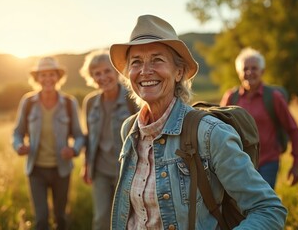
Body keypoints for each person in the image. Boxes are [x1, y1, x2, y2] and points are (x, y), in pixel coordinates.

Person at [108, 14, 287, 229]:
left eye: (157, 59)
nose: (145, 71)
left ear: (179, 72)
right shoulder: (130, 129)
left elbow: (268, 209)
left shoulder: (210, 133)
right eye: (136, 62)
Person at [12, 57, 85, 230]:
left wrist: (73, 150)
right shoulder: (28, 102)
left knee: (61, 217)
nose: (47, 79)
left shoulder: (69, 103)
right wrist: (18, 146)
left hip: (62, 171)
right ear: (37, 78)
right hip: (36, 170)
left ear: (58, 77)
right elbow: (17, 132)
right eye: (43, 75)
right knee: (41, 219)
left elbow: (79, 135)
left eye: (51, 74)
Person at [220, 47, 298, 189]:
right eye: (245, 69)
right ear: (239, 73)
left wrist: (297, 164)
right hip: (238, 164)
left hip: (268, 163)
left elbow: (293, 129)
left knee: (263, 206)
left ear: (262, 71)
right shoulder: (231, 97)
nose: (249, 72)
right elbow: (219, 131)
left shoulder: (273, 97)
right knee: (240, 209)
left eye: (254, 68)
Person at [79, 49, 139, 230]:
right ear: (92, 77)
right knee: (101, 219)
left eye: (107, 71)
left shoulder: (132, 100)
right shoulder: (90, 103)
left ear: (117, 73)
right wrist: (86, 165)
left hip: (127, 171)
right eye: (97, 73)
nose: (103, 77)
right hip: (100, 171)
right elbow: (90, 137)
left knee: (127, 220)